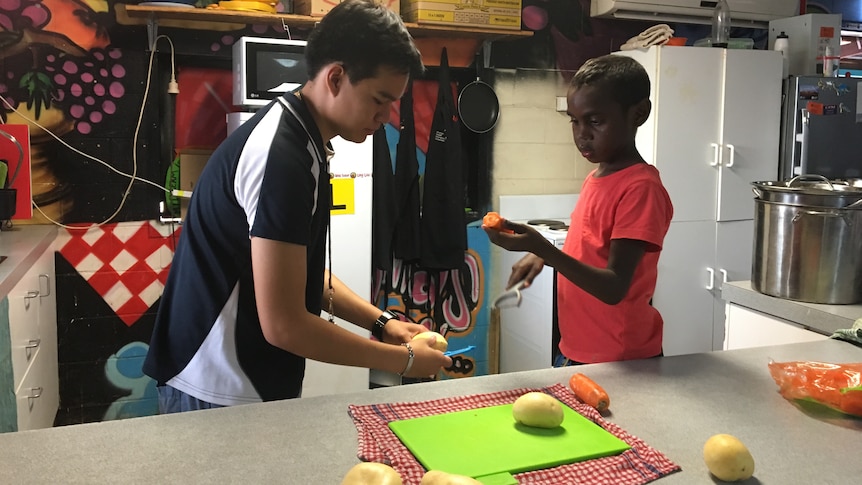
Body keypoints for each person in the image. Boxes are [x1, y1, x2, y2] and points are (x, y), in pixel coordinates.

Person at [143, 0, 451, 412]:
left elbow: (300, 271)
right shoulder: (283, 156)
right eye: (379, 99)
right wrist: (405, 360)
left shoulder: (303, 140)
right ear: (336, 78)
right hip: (216, 388)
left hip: (238, 382)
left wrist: (384, 323)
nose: (386, 116)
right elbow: (285, 325)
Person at [484, 54, 673, 365]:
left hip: (621, 359)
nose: (582, 133)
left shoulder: (641, 188)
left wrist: (540, 245)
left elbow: (614, 286)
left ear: (639, 113)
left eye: (595, 121)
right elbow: (589, 242)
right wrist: (540, 255)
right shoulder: (596, 178)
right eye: (574, 120)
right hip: (579, 347)